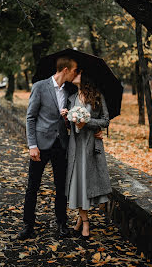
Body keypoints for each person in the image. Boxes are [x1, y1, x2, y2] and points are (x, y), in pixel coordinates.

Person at [19, 56, 78, 240]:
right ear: (66, 69)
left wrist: (68, 117)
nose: (76, 73)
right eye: (74, 70)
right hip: (41, 145)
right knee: (32, 187)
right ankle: (28, 225)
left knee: (61, 187)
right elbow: (30, 118)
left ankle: (62, 223)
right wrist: (32, 145)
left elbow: (71, 118)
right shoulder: (40, 86)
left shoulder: (71, 90)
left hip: (61, 144)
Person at [61, 71, 112, 240]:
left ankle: (84, 222)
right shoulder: (72, 97)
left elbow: (105, 121)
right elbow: (69, 126)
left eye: (79, 73)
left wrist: (87, 122)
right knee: (77, 185)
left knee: (85, 185)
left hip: (90, 147)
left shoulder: (97, 96)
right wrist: (66, 118)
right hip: (76, 147)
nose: (75, 74)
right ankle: (83, 221)